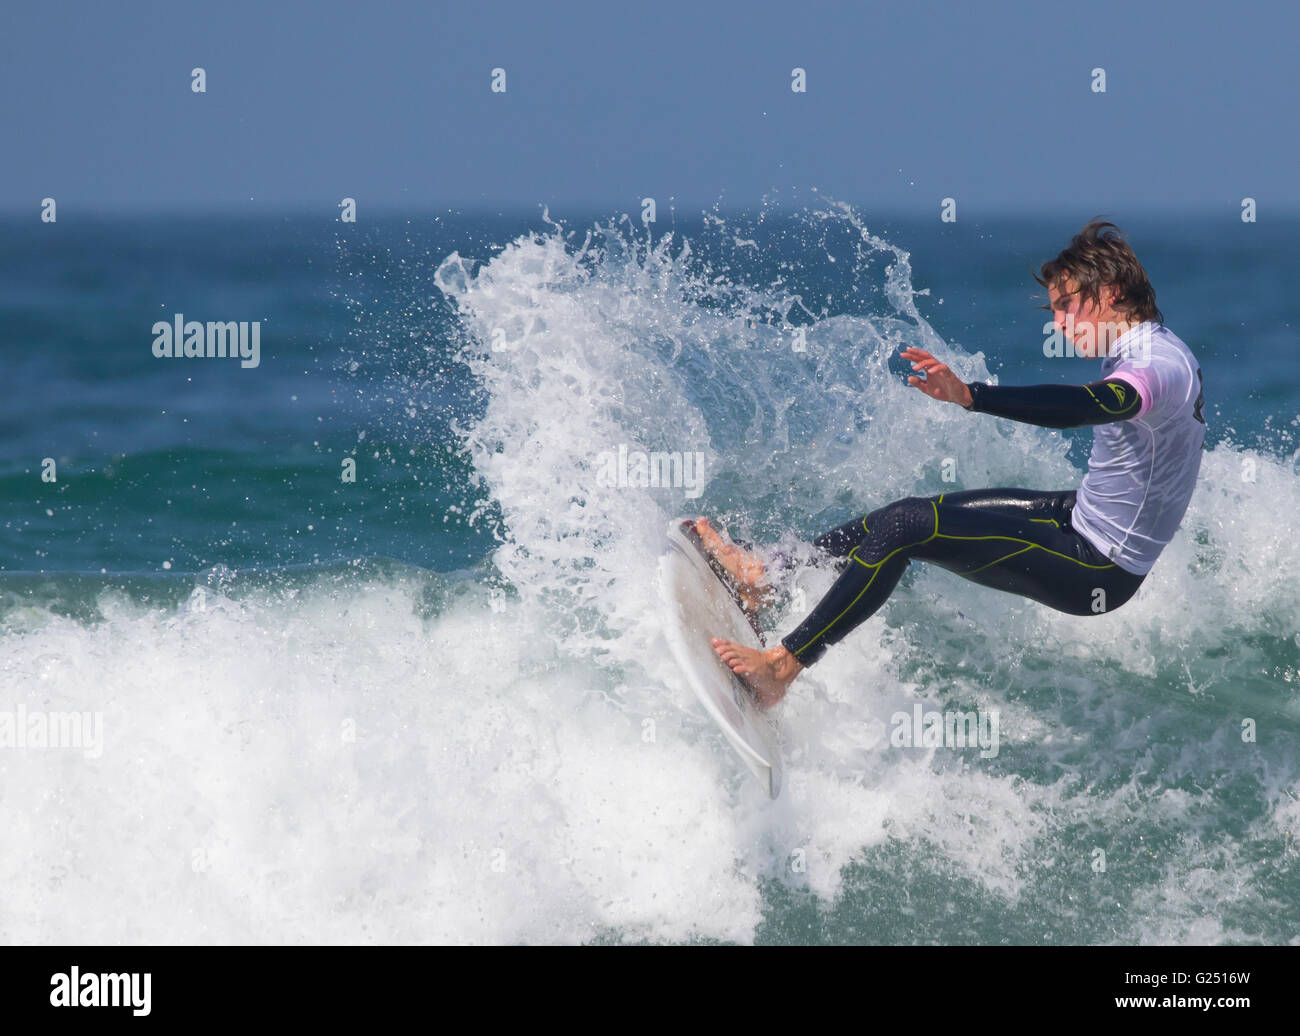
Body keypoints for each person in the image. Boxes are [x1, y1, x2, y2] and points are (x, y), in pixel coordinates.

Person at [702, 220, 1207, 706]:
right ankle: (766, 577)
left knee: (908, 525)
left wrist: (972, 396)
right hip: (1080, 517)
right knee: (915, 512)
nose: (1058, 323)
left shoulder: (1157, 367)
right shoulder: (1145, 349)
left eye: (1067, 305)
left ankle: (782, 668)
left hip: (1098, 567)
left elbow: (1088, 405)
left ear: (1114, 291)